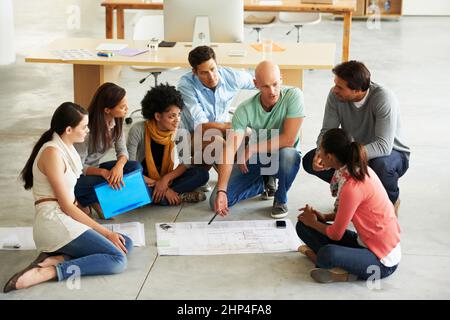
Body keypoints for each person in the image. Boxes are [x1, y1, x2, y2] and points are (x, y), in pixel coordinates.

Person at [3, 102, 132, 293]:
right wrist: (105, 233)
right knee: (118, 260)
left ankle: (58, 257)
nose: (88, 130)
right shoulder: (52, 153)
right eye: (84, 127)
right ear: (69, 129)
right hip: (54, 222)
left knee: (124, 242)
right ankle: (51, 271)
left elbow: (71, 200)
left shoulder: (67, 148)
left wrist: (105, 231)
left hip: (65, 217)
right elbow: (66, 206)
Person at [302, 61, 410, 215]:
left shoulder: (383, 98)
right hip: (353, 150)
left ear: (358, 90)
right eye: (335, 84)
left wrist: (347, 157)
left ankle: (390, 201)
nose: (334, 90)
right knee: (309, 160)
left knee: (382, 166)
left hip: (391, 154)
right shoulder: (335, 97)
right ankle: (352, 195)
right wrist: (321, 151)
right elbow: (327, 131)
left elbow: (383, 146)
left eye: (340, 87)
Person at [296, 128, 401, 284]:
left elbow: (335, 234)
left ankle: (339, 272)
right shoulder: (356, 171)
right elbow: (348, 213)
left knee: (328, 253)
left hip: (382, 260)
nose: (319, 155)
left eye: (321, 152)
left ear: (330, 157)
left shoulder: (352, 187)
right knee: (302, 226)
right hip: (364, 242)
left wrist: (314, 222)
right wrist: (323, 217)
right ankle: (338, 265)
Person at [211, 61, 305, 219]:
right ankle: (261, 183)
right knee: (216, 201)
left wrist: (252, 148)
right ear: (256, 84)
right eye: (266, 86)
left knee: (289, 154)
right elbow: (230, 149)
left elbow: (288, 139)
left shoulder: (294, 95)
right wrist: (221, 190)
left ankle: (280, 198)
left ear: (281, 79)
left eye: (275, 84)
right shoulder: (245, 109)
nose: (272, 91)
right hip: (259, 159)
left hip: (283, 156)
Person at [177, 46, 263, 192]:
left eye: (213, 69)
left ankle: (259, 179)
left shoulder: (231, 76)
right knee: (219, 142)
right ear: (194, 72)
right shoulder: (186, 85)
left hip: (220, 130)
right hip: (191, 138)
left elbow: (260, 82)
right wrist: (234, 125)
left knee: (253, 136)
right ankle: (232, 181)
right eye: (204, 73)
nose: (211, 76)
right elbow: (202, 126)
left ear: (217, 64)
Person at [127, 84, 209, 206]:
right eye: (172, 116)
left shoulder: (179, 128)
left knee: (201, 174)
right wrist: (160, 186)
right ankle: (174, 196)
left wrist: (165, 180)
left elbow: (185, 163)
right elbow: (130, 169)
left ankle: (159, 197)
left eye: (179, 114)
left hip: (167, 178)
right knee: (131, 187)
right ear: (158, 116)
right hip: (143, 179)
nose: (177, 120)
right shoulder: (138, 130)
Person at [74, 82, 141, 218]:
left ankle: (90, 199)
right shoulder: (86, 129)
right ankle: (86, 199)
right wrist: (103, 172)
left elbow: (122, 150)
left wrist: (119, 166)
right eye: (122, 107)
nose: (127, 109)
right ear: (107, 110)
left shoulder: (116, 122)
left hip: (94, 170)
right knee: (110, 179)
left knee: (135, 168)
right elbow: (78, 166)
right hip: (76, 176)